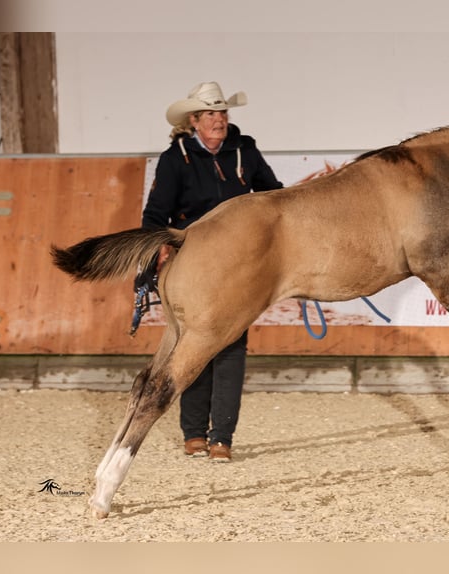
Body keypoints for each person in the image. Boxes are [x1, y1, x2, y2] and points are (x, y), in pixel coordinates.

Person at [138, 81, 283, 461]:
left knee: (232, 344)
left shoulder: (245, 150)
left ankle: (222, 436)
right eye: (210, 115)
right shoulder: (175, 159)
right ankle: (194, 432)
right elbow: (156, 214)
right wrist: (158, 249)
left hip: (241, 259)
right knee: (196, 341)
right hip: (197, 259)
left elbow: (273, 194)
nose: (218, 120)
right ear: (194, 121)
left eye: (222, 113)